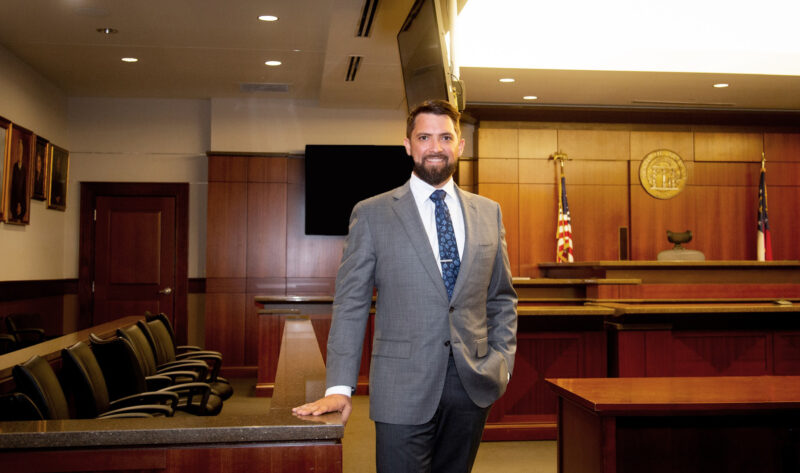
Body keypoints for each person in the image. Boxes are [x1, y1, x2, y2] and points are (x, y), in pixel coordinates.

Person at [293, 99, 517, 473]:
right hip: (401, 388)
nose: (435, 146)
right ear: (408, 145)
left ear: (460, 145)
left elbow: (501, 299)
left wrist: (502, 364)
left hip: (472, 387)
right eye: (424, 137)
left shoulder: (488, 212)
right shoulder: (372, 214)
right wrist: (339, 387)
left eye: (446, 137)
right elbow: (351, 304)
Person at [10, 137, 27, 221]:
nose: (20, 153)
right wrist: (16, 204)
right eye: (18, 151)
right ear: (17, 153)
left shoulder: (24, 169)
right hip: (14, 201)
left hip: (22, 201)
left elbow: (24, 188)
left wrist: (21, 204)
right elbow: (13, 186)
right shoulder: (14, 167)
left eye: (21, 151)